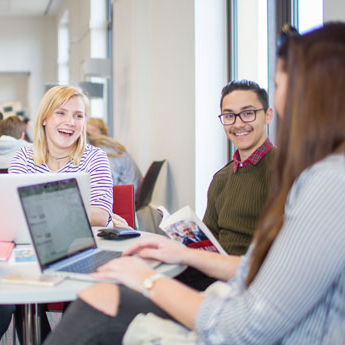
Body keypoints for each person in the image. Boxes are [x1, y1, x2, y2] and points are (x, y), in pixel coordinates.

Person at [43, 22, 345, 345]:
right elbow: (262, 270)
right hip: (230, 296)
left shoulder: (326, 184)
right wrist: (184, 254)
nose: (239, 123)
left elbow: (243, 326)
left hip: (235, 321)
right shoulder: (248, 177)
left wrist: (148, 281)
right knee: (101, 298)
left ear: (305, 92)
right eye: (229, 115)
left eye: (279, 84)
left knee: (98, 304)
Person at [8, 85, 123, 227]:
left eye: (78, 116)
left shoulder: (95, 157)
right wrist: (76, 209)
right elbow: (12, 212)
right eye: (61, 113)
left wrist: (37, 206)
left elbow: (100, 216)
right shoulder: (23, 157)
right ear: (44, 119)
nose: (70, 122)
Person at [203, 80, 275, 256]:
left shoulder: (285, 170)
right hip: (214, 272)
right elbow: (207, 241)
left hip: (255, 278)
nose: (238, 124)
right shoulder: (221, 179)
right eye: (229, 116)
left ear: (268, 115)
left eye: (248, 113)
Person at [88, 132, 143, 201]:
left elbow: (107, 184)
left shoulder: (102, 151)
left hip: (129, 197)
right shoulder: (103, 143)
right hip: (133, 191)